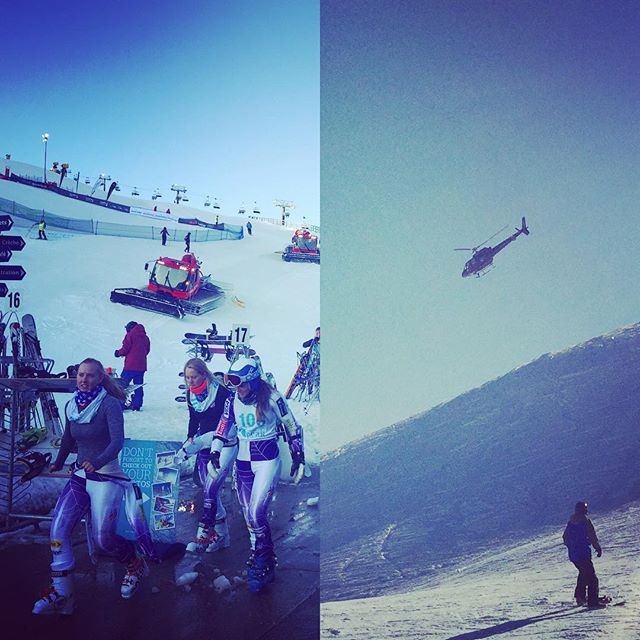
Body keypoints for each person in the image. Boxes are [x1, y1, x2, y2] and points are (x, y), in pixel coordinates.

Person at [32, 359, 151, 615]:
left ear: (100, 379)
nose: (83, 380)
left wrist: (95, 462)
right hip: (80, 476)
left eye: (90, 376)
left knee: (103, 540)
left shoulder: (109, 404)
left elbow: (117, 442)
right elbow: (67, 437)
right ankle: (62, 592)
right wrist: (59, 461)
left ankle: (135, 563)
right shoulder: (73, 404)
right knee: (58, 529)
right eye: (80, 375)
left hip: (106, 477)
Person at [209, 355, 305, 592]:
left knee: (256, 513)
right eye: (233, 384)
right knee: (248, 517)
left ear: (253, 380)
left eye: (241, 383)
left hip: (266, 461)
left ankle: (261, 561)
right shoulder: (233, 399)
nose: (238, 389)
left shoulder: (272, 397)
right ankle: (263, 557)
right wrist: (215, 451)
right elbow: (224, 424)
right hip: (243, 462)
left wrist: (298, 455)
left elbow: (291, 424)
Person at [182, 358, 233, 553]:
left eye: (194, 377)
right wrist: (189, 436)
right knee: (207, 488)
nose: (190, 381)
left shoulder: (221, 393)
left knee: (211, 488)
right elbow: (193, 417)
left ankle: (203, 530)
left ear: (204, 374)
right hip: (204, 441)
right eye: (187, 377)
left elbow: (228, 419)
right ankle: (221, 535)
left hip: (225, 442)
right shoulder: (190, 394)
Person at [562, 501, 604, 608]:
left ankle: (580, 597)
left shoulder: (571, 523)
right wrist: (597, 548)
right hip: (583, 554)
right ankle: (593, 602)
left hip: (574, 556)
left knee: (583, 573)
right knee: (592, 578)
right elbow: (592, 537)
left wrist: (572, 546)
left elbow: (565, 538)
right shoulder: (586, 522)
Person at [114, 321, 150, 411]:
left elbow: (125, 348)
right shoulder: (145, 337)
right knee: (138, 385)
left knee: (122, 385)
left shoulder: (130, 335)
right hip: (141, 366)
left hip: (130, 365)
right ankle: (137, 404)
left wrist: (118, 353)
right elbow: (147, 350)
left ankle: (120, 404)